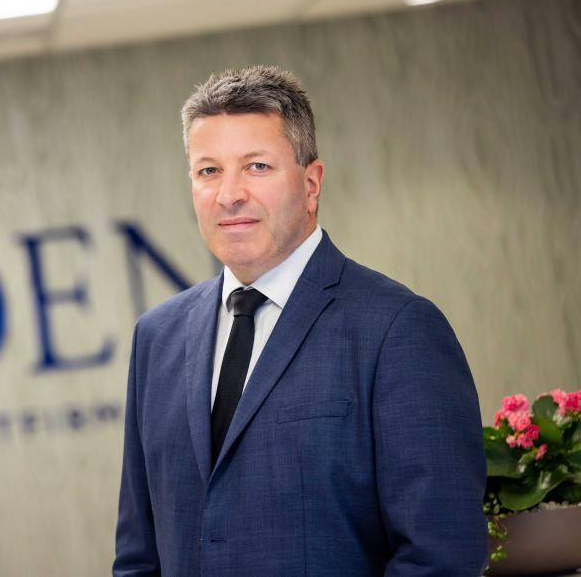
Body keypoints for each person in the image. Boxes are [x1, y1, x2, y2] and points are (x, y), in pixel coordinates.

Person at [113, 66, 487, 576]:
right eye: (208, 171)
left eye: (257, 166)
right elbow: (139, 556)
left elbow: (441, 554)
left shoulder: (397, 330)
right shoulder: (156, 339)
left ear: (311, 184)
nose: (229, 194)